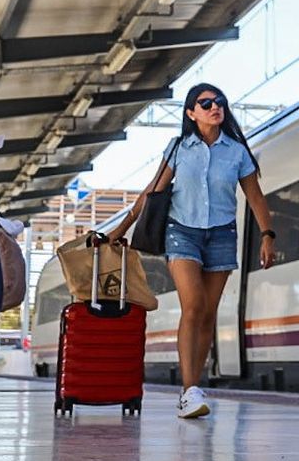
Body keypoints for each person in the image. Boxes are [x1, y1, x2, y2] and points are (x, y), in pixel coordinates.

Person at [108, 84, 276, 419]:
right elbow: (152, 191)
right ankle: (189, 390)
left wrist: (267, 234)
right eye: (207, 103)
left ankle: (194, 388)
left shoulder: (237, 152)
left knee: (208, 315)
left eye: (220, 102)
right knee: (194, 305)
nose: (216, 107)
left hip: (222, 235)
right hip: (181, 232)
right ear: (191, 113)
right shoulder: (178, 148)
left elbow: (255, 197)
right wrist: (119, 230)